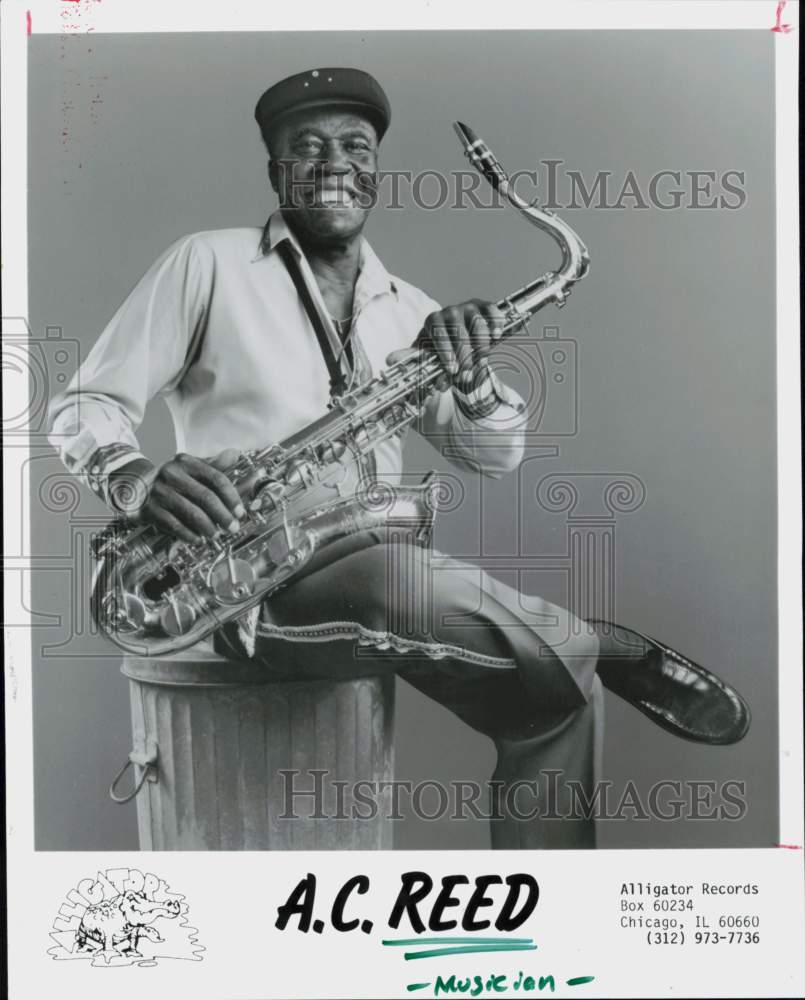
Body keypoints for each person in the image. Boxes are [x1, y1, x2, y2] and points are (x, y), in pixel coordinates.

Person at [48, 67, 749, 849]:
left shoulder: (412, 311)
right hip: (238, 581)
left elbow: (493, 457)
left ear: (376, 170)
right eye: (306, 147)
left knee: (558, 700)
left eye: (354, 145)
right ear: (275, 170)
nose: (333, 162)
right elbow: (82, 405)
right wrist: (132, 474)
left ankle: (553, 924)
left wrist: (475, 377)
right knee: (412, 583)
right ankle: (599, 638)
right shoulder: (205, 263)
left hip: (368, 562)